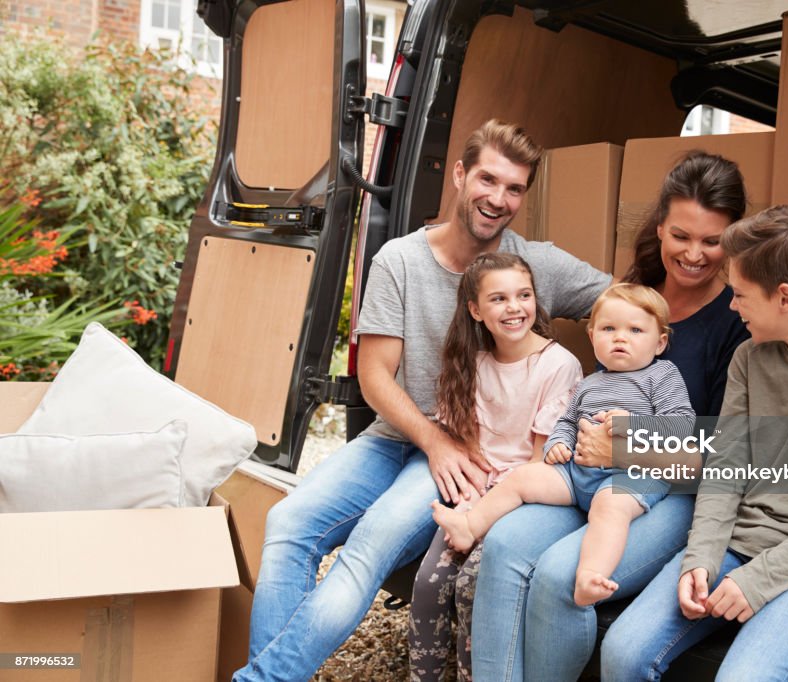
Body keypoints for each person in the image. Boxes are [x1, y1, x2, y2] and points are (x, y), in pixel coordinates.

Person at [234, 120, 610, 682]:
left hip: (469, 451)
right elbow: (375, 375)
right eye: (488, 179)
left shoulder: (533, 266)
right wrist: (432, 440)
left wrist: (616, 390)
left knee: (369, 546)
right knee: (289, 522)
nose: (498, 199)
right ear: (460, 175)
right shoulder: (401, 260)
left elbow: (628, 305)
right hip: (403, 437)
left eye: (514, 189)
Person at [471, 151, 752, 681]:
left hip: (670, 492)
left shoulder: (737, 322)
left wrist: (623, 447)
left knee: (559, 574)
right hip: (586, 474)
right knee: (505, 545)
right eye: (681, 236)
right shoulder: (631, 293)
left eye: (711, 241)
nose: (693, 254)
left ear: (733, 240)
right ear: (660, 229)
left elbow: (724, 453)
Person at [600, 202, 788, 681]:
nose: (732, 307)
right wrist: (702, 558)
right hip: (737, 545)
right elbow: (725, 469)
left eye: (739, 295)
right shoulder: (748, 358)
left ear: (785, 298)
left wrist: (758, 581)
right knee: (622, 652)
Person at [434, 283, 695, 607]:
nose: (620, 337)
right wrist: (558, 443)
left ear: (660, 343)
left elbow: (682, 424)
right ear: (592, 336)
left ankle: (591, 574)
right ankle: (469, 526)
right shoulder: (589, 382)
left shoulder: (662, 376)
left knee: (609, 509)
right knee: (524, 476)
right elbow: (568, 423)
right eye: (609, 328)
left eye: (635, 330)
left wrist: (634, 424)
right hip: (578, 472)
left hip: (632, 476)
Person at [407, 252, 583, 682]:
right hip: (479, 496)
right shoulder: (475, 364)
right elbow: (470, 447)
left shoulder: (557, 366)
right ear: (476, 310)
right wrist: (469, 498)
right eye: (499, 299)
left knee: (472, 588)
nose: (514, 307)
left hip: (524, 501)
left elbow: (540, 466)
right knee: (429, 584)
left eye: (524, 295)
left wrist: (485, 514)